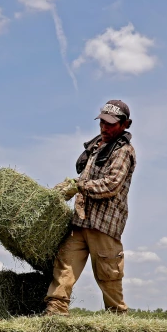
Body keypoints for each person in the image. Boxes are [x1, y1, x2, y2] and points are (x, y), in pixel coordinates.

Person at [44, 99, 136, 316]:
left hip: (104, 225)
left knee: (108, 275)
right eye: (102, 122)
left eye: (111, 124)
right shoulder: (97, 148)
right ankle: (56, 310)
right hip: (81, 221)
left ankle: (117, 318)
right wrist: (69, 185)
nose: (104, 127)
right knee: (64, 265)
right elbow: (84, 180)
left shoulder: (124, 151)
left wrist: (78, 186)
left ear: (125, 124)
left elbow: (111, 185)